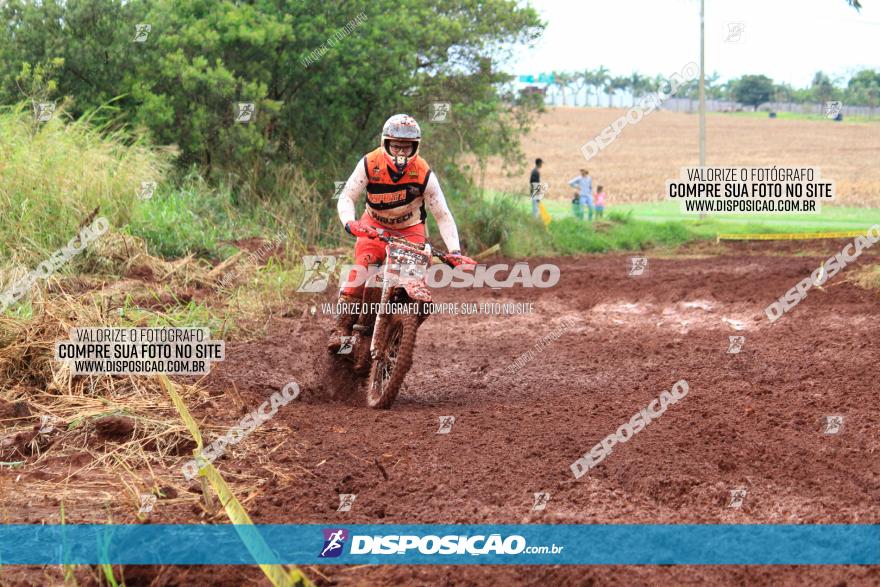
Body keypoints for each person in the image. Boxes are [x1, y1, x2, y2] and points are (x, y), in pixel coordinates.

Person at [328, 114, 475, 351]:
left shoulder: (423, 172)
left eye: (406, 147)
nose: (400, 152)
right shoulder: (369, 163)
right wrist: (350, 222)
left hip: (410, 230)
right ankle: (341, 329)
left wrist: (454, 252)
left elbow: (442, 215)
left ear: (415, 147)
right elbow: (347, 196)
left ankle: (399, 334)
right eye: (396, 146)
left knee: (416, 285)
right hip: (373, 226)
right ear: (386, 143)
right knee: (363, 268)